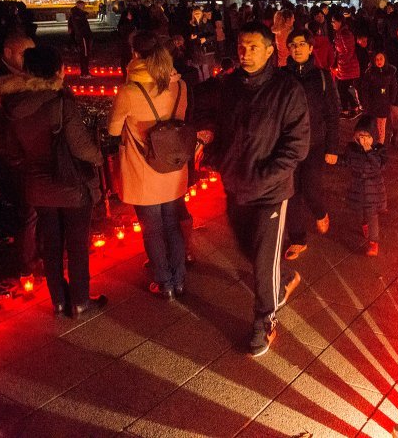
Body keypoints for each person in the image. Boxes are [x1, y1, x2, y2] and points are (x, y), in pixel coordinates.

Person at [199, 22, 308, 357]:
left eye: (253, 47)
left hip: (270, 191)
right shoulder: (230, 85)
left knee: (262, 263)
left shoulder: (287, 89)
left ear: (271, 50)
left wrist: (265, 174)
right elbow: (223, 128)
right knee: (249, 249)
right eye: (241, 47)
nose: (245, 54)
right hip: (235, 186)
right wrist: (215, 156)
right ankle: (283, 277)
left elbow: (297, 143)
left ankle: (265, 320)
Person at [0, 45, 105, 317]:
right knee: (76, 246)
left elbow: (12, 150)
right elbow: (81, 148)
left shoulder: (13, 106)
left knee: (51, 245)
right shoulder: (59, 102)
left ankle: (57, 301)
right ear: (56, 70)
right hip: (70, 187)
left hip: (38, 187)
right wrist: (99, 156)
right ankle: (79, 301)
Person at [108, 31, 189, 300]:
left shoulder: (129, 92)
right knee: (172, 223)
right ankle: (179, 279)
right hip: (173, 167)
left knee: (152, 228)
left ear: (135, 55)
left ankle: (164, 282)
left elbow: (113, 129)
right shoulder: (180, 85)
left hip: (144, 171)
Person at [282, 28, 341, 261]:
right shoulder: (280, 76)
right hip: (287, 145)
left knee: (311, 188)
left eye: (301, 44)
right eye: (293, 44)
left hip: (314, 143)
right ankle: (298, 238)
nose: (297, 48)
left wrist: (332, 148)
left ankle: (319, 211)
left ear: (310, 48)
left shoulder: (323, 77)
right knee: (291, 192)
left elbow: (332, 114)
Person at [0, 33, 39, 277]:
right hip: (14, 159)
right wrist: (11, 156)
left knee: (37, 208)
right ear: (8, 53)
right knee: (27, 211)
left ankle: (38, 253)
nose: (29, 58)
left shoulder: (26, 76)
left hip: (32, 154)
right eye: (23, 53)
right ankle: (27, 262)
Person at [341, 114, 387, 257]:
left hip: (373, 189)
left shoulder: (378, 150)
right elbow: (346, 161)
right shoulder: (352, 149)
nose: (363, 139)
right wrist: (334, 159)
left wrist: (369, 151)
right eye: (361, 136)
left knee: (372, 214)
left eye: (367, 136)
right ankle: (364, 224)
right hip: (357, 188)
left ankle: (373, 242)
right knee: (360, 212)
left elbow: (378, 165)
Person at [361, 50, 396, 144]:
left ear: (385, 60)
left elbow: (393, 87)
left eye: (381, 59)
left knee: (381, 126)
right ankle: (371, 143)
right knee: (372, 125)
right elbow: (365, 89)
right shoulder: (370, 72)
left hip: (384, 104)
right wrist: (366, 102)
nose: (379, 61)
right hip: (372, 104)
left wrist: (391, 100)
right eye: (377, 59)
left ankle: (380, 145)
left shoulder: (389, 72)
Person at [331, 12, 362, 118]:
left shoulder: (345, 34)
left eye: (334, 22)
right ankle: (350, 109)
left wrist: (341, 62)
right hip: (344, 67)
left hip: (348, 67)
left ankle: (352, 108)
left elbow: (349, 51)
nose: (332, 24)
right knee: (342, 88)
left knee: (342, 88)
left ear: (340, 22)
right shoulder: (340, 33)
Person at [68, 0, 93, 79]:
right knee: (84, 54)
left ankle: (85, 72)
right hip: (83, 37)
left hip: (84, 36)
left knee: (85, 54)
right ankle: (84, 73)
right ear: (78, 5)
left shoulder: (77, 14)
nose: (84, 7)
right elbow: (79, 27)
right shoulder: (77, 15)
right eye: (82, 5)